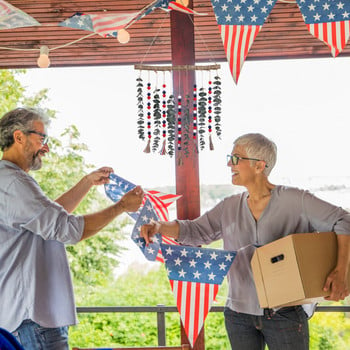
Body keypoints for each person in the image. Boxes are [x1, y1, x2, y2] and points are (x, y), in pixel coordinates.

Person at [141, 133, 350, 350]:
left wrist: (340, 272)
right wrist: (159, 226)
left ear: (259, 166)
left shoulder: (296, 200)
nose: (229, 164)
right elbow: (195, 231)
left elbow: (344, 221)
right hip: (238, 315)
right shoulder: (228, 206)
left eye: (235, 158)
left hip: (285, 313)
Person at [0, 107, 144, 350]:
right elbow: (68, 229)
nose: (46, 147)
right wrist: (121, 207)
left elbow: (50, 217)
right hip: (33, 320)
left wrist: (87, 182)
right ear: (19, 136)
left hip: (26, 317)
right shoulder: (15, 182)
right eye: (41, 138)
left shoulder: (9, 180)